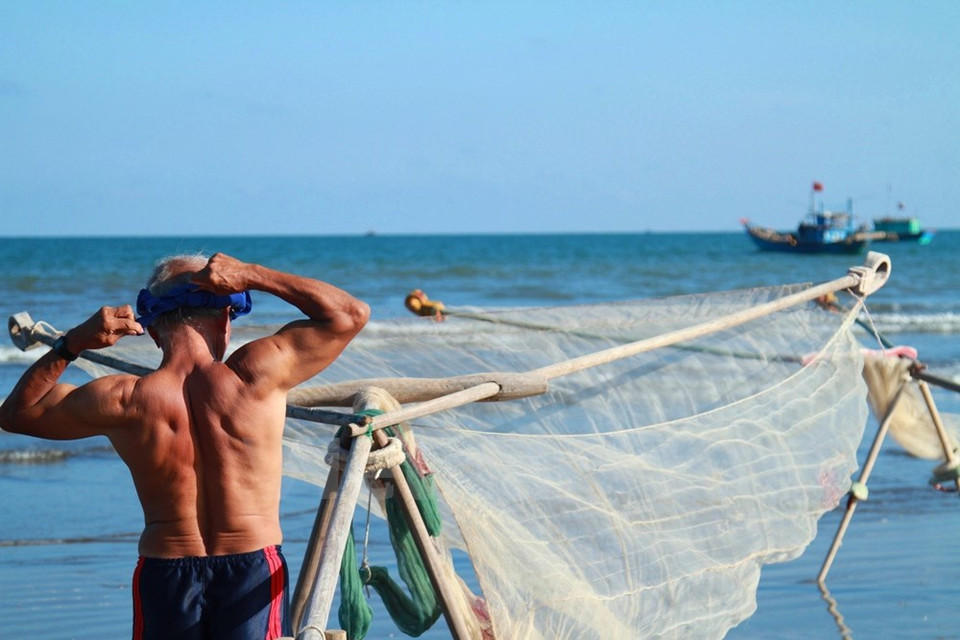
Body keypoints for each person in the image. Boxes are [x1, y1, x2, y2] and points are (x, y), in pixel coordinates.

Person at [0, 252, 369, 639]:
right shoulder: (255, 375)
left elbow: (16, 415)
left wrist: (72, 343)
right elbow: (350, 314)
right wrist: (252, 274)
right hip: (252, 569)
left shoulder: (123, 399)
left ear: (155, 330)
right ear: (226, 319)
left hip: (165, 574)